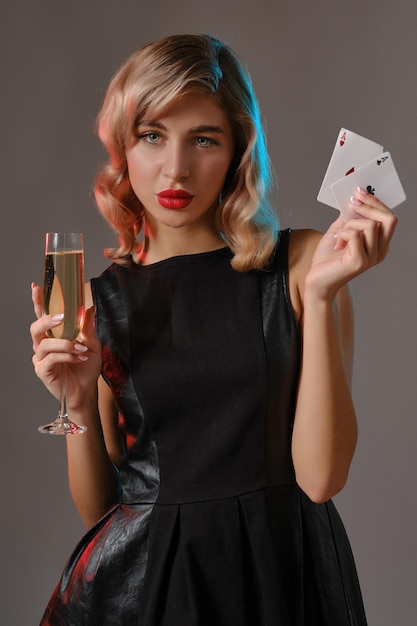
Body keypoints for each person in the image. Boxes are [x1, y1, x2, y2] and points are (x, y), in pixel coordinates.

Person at [30, 34, 397, 626]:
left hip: (285, 576)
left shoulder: (304, 263)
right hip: (153, 586)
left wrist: (323, 295)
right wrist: (75, 401)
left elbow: (321, 478)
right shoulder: (101, 300)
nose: (176, 167)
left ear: (237, 152)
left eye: (204, 139)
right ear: (124, 148)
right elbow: (101, 509)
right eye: (152, 135)